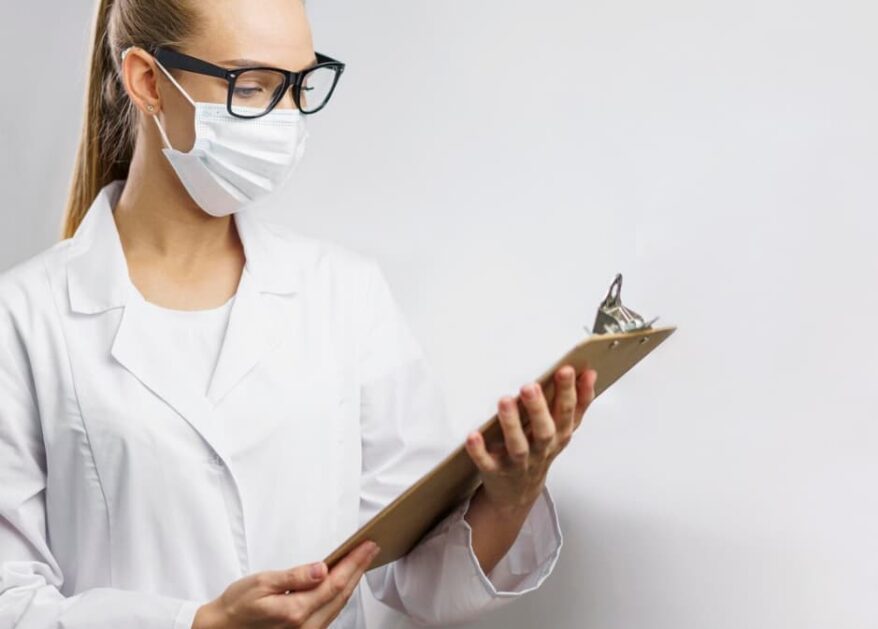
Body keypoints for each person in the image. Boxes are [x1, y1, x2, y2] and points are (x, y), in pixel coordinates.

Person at [0, 1, 598, 627]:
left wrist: (508, 497)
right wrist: (198, 624)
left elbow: (413, 574)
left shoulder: (345, 295)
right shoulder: (23, 321)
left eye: (298, 85)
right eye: (252, 86)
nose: (284, 119)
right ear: (149, 82)